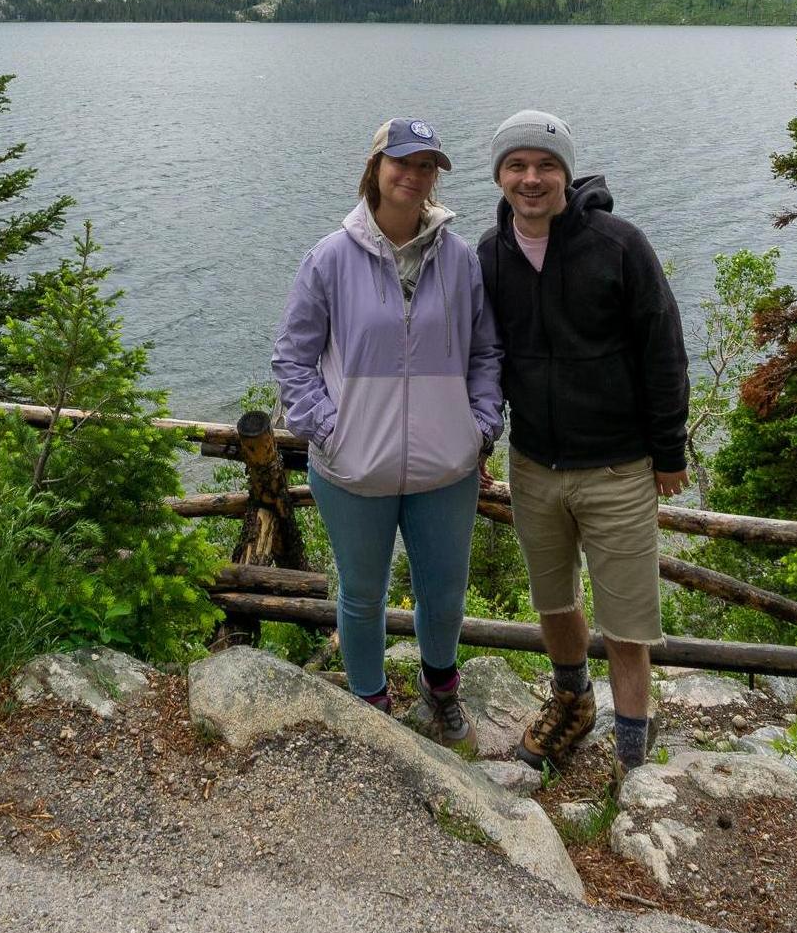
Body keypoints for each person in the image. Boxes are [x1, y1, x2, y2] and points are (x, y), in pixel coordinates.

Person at [272, 118, 503, 749]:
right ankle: (371, 701)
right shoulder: (329, 258)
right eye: (402, 161)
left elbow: (485, 352)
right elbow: (293, 359)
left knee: (444, 592)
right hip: (353, 469)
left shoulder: (458, 260)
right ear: (374, 167)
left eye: (428, 166)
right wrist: (328, 429)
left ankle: (440, 688)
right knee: (364, 592)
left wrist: (480, 426)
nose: (415, 175)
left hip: (446, 467)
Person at [477, 110, 690, 776]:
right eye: (517, 165)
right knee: (553, 602)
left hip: (617, 464)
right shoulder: (489, 253)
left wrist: (668, 451)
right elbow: (480, 356)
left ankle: (632, 762)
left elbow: (663, 348)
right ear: (500, 175)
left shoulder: (618, 244)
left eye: (545, 165)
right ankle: (572, 704)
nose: (531, 178)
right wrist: (479, 441)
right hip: (534, 462)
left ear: (566, 173)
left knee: (627, 622)